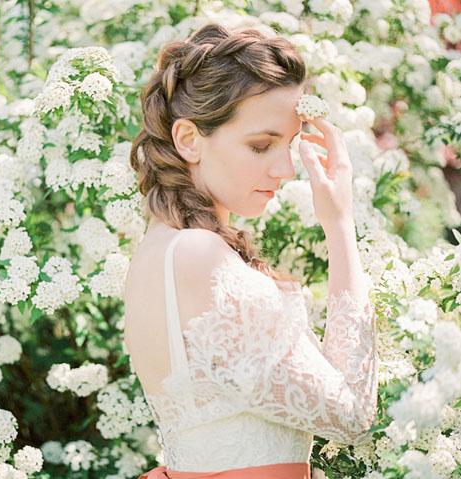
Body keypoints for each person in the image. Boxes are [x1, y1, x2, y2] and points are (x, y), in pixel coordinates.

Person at [122, 22, 378, 479]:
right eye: (261, 146)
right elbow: (354, 413)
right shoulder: (200, 257)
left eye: (290, 145)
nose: (286, 169)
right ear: (189, 139)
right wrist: (340, 224)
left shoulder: (158, 250)